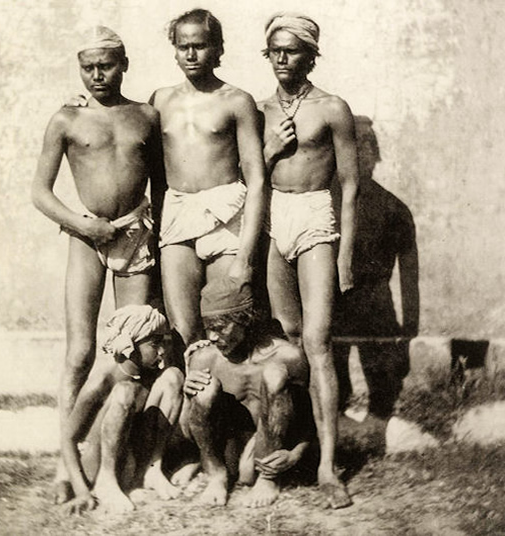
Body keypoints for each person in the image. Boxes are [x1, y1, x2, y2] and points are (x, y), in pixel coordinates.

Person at [31, 25, 166, 503]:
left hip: (136, 234)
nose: (96, 75)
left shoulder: (145, 116)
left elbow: (163, 188)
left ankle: (121, 461)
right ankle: (65, 468)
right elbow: (40, 193)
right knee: (80, 352)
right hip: (86, 236)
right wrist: (84, 226)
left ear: (124, 64)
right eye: (87, 67)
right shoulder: (66, 119)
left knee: (133, 354)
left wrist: (160, 240)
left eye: (105, 65)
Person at [258, 12, 359, 509]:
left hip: (316, 216)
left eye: (291, 50)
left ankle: (328, 466)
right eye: (273, 50)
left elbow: (352, 185)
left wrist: (345, 253)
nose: (281, 58)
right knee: (289, 342)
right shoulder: (257, 109)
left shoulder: (332, 108)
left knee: (319, 343)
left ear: (311, 55)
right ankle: (293, 446)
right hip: (277, 218)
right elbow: (245, 172)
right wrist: (269, 148)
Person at [149, 9, 266, 355]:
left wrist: (245, 255)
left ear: (217, 48)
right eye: (183, 46)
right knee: (183, 329)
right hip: (178, 211)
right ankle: (192, 407)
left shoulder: (237, 101)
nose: (191, 54)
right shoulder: (159, 100)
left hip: (225, 212)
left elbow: (257, 179)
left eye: (199, 45)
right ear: (174, 49)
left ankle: (230, 408)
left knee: (227, 326)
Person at [180, 277, 311, 508]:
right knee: (205, 387)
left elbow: (309, 421)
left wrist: (295, 454)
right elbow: (188, 432)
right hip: (229, 452)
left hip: (269, 451)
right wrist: (188, 396)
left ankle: (268, 479)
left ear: (245, 320)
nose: (211, 337)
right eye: (208, 328)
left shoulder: (289, 356)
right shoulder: (205, 358)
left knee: (275, 374)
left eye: (219, 328)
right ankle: (216, 476)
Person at [61, 305, 183, 515]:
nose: (162, 350)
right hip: (98, 463)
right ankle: (106, 482)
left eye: (163, 342)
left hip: (130, 459)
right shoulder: (103, 381)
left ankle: (152, 469)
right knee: (125, 391)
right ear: (130, 345)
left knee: (173, 377)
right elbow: (68, 439)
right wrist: (81, 491)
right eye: (155, 343)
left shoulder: (150, 373)